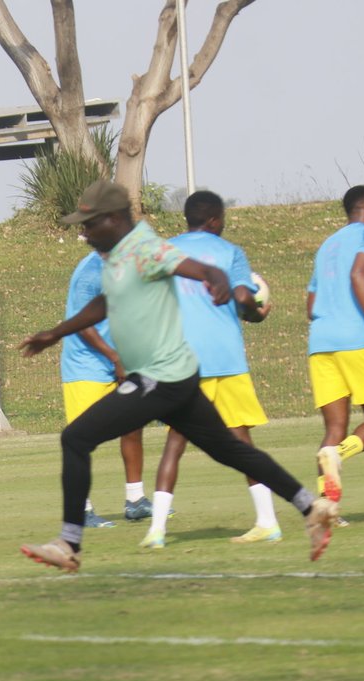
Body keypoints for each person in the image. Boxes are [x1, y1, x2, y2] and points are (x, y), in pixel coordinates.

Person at [17, 179, 338, 573]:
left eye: (89, 223)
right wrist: (55, 333)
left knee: (76, 438)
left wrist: (216, 278)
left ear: (115, 219)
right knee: (231, 450)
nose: (82, 232)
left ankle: (69, 543)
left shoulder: (145, 248)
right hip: (177, 376)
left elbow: (196, 267)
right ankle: (312, 506)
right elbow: (106, 301)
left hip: (161, 378)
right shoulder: (116, 256)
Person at [140, 190, 277, 549]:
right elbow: (245, 298)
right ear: (215, 219)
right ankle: (267, 521)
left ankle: (156, 530)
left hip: (184, 362)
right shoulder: (230, 253)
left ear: (189, 218)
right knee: (242, 441)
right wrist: (256, 313)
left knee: (175, 443)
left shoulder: (166, 250)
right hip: (227, 359)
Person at [307, 184, 364, 507]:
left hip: (320, 342)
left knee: (335, 427)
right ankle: (338, 453)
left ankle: (327, 507)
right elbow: (358, 275)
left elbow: (311, 304)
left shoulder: (327, 245)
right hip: (356, 340)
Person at [60, 251, 154, 527]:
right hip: (86, 367)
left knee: (133, 427)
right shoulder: (90, 271)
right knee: (81, 440)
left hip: (122, 361)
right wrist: (115, 358)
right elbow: (81, 324)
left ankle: (135, 500)